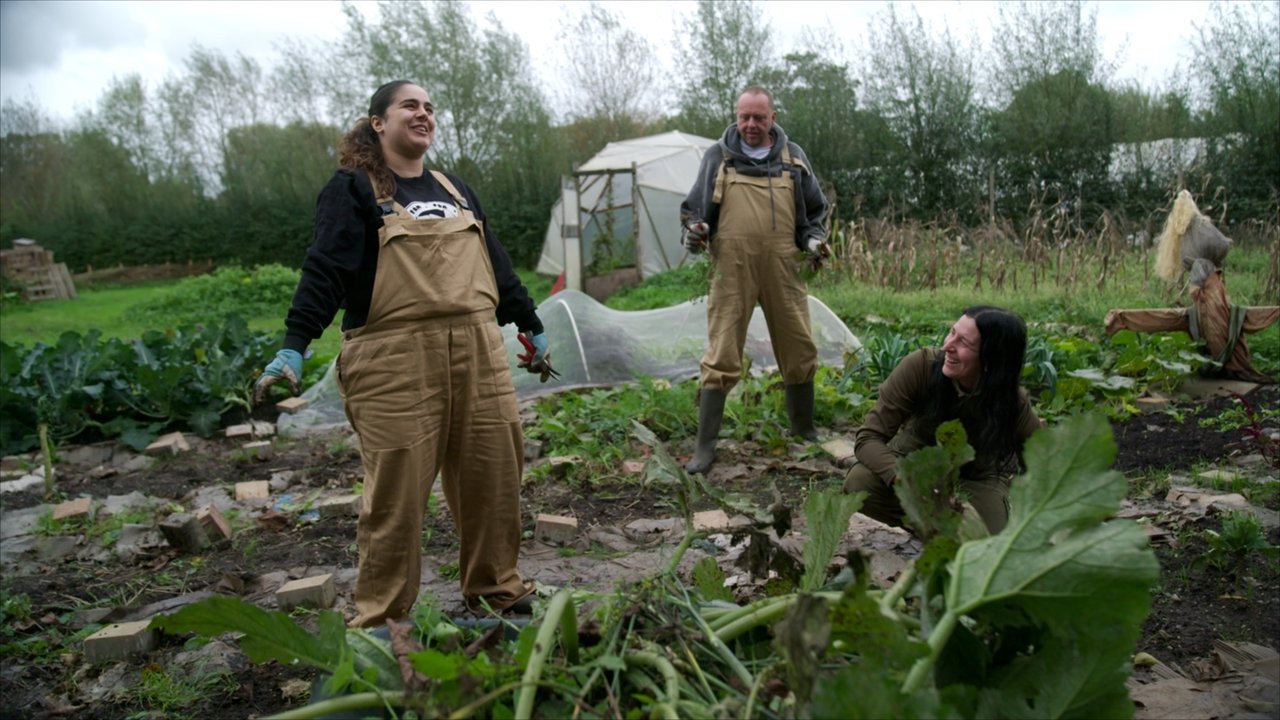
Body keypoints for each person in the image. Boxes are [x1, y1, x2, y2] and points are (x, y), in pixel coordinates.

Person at [254, 80, 545, 626]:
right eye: (410, 105)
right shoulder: (352, 189)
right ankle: (384, 620)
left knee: (493, 477)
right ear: (378, 122)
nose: (423, 113)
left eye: (429, 107)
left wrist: (529, 322)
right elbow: (326, 267)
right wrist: (296, 343)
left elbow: (495, 262)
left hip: (479, 350)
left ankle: (496, 591)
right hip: (393, 358)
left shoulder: (455, 188)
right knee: (397, 495)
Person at [680, 85, 831, 474]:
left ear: (772, 118)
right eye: (744, 116)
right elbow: (693, 213)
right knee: (722, 350)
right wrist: (695, 232)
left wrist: (814, 242)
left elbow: (814, 213)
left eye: (758, 118)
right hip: (732, 269)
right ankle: (705, 448)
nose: (750, 124)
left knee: (799, 344)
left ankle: (804, 430)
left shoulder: (793, 158)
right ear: (736, 116)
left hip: (783, 266)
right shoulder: (719, 157)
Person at [843, 306, 1042, 534]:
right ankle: (924, 529)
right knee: (860, 485)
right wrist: (905, 478)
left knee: (988, 539)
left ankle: (946, 532)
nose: (947, 346)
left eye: (963, 342)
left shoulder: (1011, 402)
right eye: (952, 332)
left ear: (991, 359)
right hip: (915, 463)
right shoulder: (921, 367)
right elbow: (868, 438)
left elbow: (1042, 462)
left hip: (975, 478)